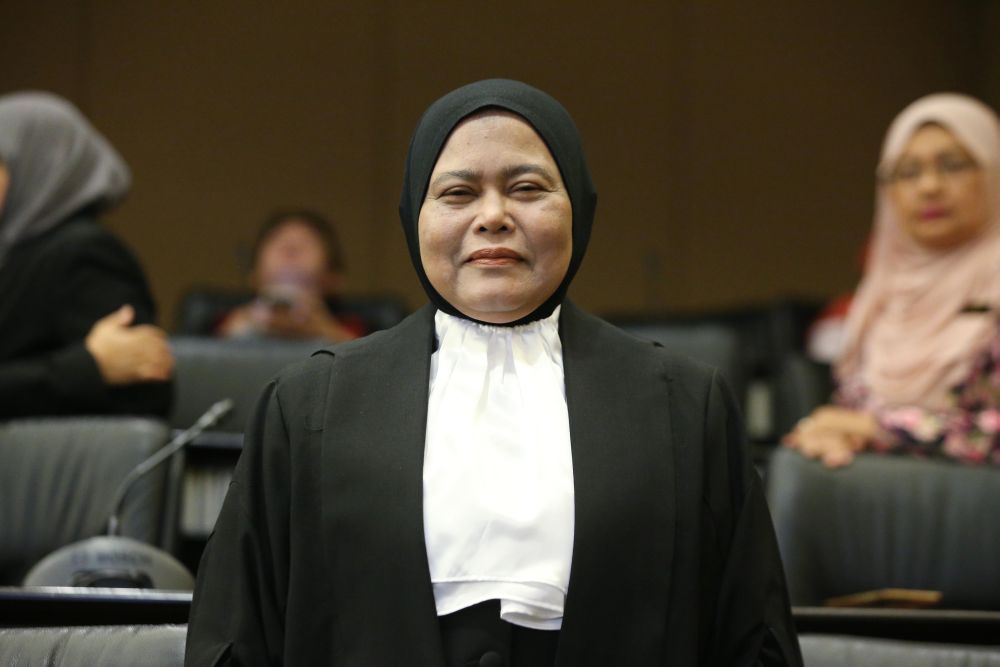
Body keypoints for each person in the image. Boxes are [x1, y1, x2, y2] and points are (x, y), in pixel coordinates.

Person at [185, 79, 801, 666]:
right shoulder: (308, 407)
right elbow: (236, 636)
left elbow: (750, 639)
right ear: (415, 216)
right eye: (457, 193)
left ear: (579, 209)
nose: (493, 216)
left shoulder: (685, 407)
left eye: (528, 188)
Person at [785, 93, 1000, 468]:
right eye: (908, 171)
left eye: (952, 165)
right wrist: (834, 434)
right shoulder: (881, 295)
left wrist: (879, 430)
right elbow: (849, 414)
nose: (929, 186)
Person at [0, 92, 173, 419]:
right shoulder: (13, 254)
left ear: (40, 166)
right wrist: (89, 366)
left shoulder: (84, 253)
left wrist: (86, 370)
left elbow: (146, 386)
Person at [215, 210, 365, 342]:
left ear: (333, 279)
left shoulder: (355, 329)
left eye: (307, 242)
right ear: (254, 276)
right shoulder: (222, 323)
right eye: (277, 240)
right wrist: (237, 331)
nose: (290, 249)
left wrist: (327, 332)